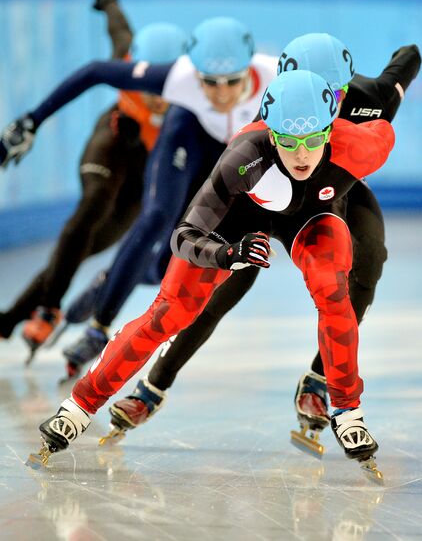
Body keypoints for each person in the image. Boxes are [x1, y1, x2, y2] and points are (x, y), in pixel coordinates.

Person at [28, 69, 395, 482]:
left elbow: (401, 74)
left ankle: (345, 406)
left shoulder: (363, 144)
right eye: (288, 141)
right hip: (237, 225)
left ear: (331, 127)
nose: (301, 155)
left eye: (313, 139)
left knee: (335, 291)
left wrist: (396, 78)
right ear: (269, 132)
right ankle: (80, 405)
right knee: (170, 312)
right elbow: (183, 236)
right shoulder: (245, 154)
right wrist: (225, 254)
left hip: (309, 218)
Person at [82, 35, 419, 453]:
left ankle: (320, 380)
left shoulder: (374, 98)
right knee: (220, 289)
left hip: (330, 196)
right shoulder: (279, 108)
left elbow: (406, 63)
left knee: (366, 262)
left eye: (335, 92)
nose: (321, 98)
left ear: (349, 87)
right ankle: (155, 383)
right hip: (261, 200)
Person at [0, 16, 278, 375]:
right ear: (193, 71)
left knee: (174, 259)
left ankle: (110, 279)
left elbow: (343, 94)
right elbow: (95, 71)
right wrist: (30, 121)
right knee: (156, 218)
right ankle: (99, 328)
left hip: (225, 153)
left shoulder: (276, 75)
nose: (221, 94)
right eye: (209, 82)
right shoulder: (175, 77)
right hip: (190, 137)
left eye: (232, 82)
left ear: (249, 69)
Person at [0, 0, 188, 360]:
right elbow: (118, 30)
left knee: (91, 245)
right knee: (93, 204)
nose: (156, 96)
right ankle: (48, 307)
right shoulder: (127, 62)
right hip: (114, 141)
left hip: (147, 169)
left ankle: (9, 320)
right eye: (148, 82)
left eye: (162, 85)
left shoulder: (196, 89)